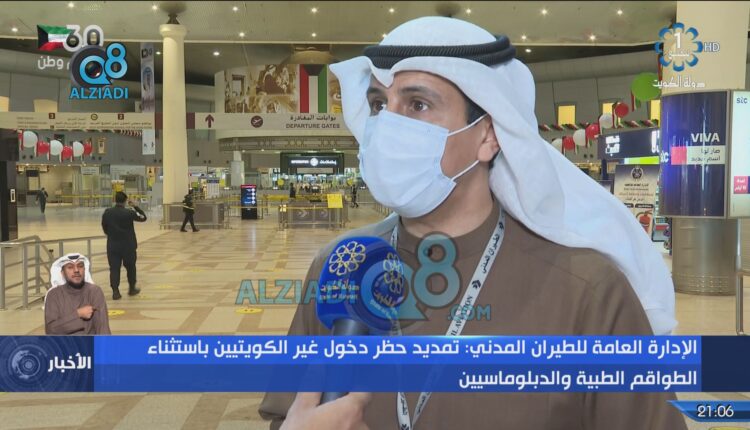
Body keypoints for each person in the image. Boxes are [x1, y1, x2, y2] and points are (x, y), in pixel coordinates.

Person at [259, 17, 685, 430]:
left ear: (488, 136)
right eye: (378, 105)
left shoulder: (588, 291)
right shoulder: (340, 265)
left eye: (418, 104)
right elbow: (288, 412)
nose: (387, 124)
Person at [44, 253, 111, 335]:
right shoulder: (54, 295)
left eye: (80, 266)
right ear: (62, 273)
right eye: (70, 267)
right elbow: (51, 330)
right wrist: (78, 314)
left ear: (84, 270)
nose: (76, 270)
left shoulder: (94, 292)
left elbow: (103, 328)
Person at [101, 191, 147, 300]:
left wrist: (111, 235)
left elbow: (104, 227)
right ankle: (132, 288)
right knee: (131, 267)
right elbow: (143, 217)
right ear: (126, 201)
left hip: (113, 245)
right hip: (128, 245)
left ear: (114, 200)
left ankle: (115, 292)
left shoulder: (108, 212)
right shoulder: (129, 213)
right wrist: (135, 206)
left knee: (114, 268)